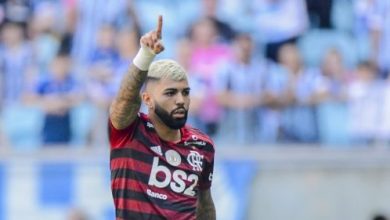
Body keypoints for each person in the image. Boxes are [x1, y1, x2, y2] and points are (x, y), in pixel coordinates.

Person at [108, 15, 216, 220]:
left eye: (185, 92)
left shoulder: (202, 145)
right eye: (170, 93)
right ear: (147, 99)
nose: (180, 100)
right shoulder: (129, 132)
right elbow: (125, 100)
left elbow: (205, 206)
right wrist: (145, 56)